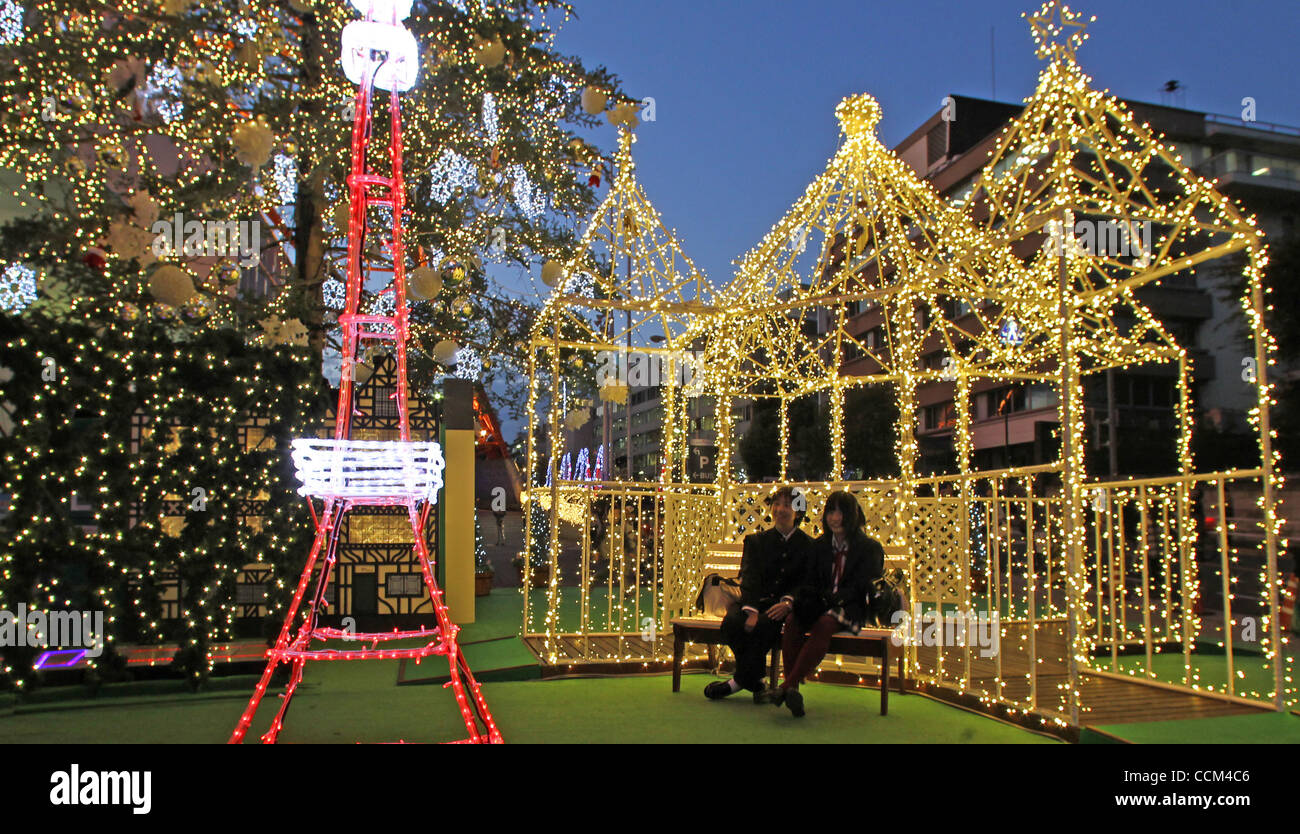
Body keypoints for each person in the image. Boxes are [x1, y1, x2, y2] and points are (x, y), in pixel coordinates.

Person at [768, 490, 883, 717]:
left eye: (841, 512)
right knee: (793, 620)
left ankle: (785, 686)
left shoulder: (869, 547)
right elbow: (809, 581)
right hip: (821, 604)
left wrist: (833, 599)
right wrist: (811, 599)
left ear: (852, 515)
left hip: (852, 608)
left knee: (825, 623)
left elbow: (863, 587)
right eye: (831, 511)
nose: (835, 517)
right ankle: (792, 690)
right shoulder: (819, 546)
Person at [705, 487, 812, 703]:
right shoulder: (756, 541)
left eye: (787, 505)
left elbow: (808, 582)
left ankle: (737, 683)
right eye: (777, 504)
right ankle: (756, 683)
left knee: (765, 625)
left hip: (781, 606)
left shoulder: (809, 545)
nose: (780, 509)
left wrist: (789, 603)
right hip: (752, 601)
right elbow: (749, 577)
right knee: (733, 622)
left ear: (798, 512)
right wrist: (751, 610)